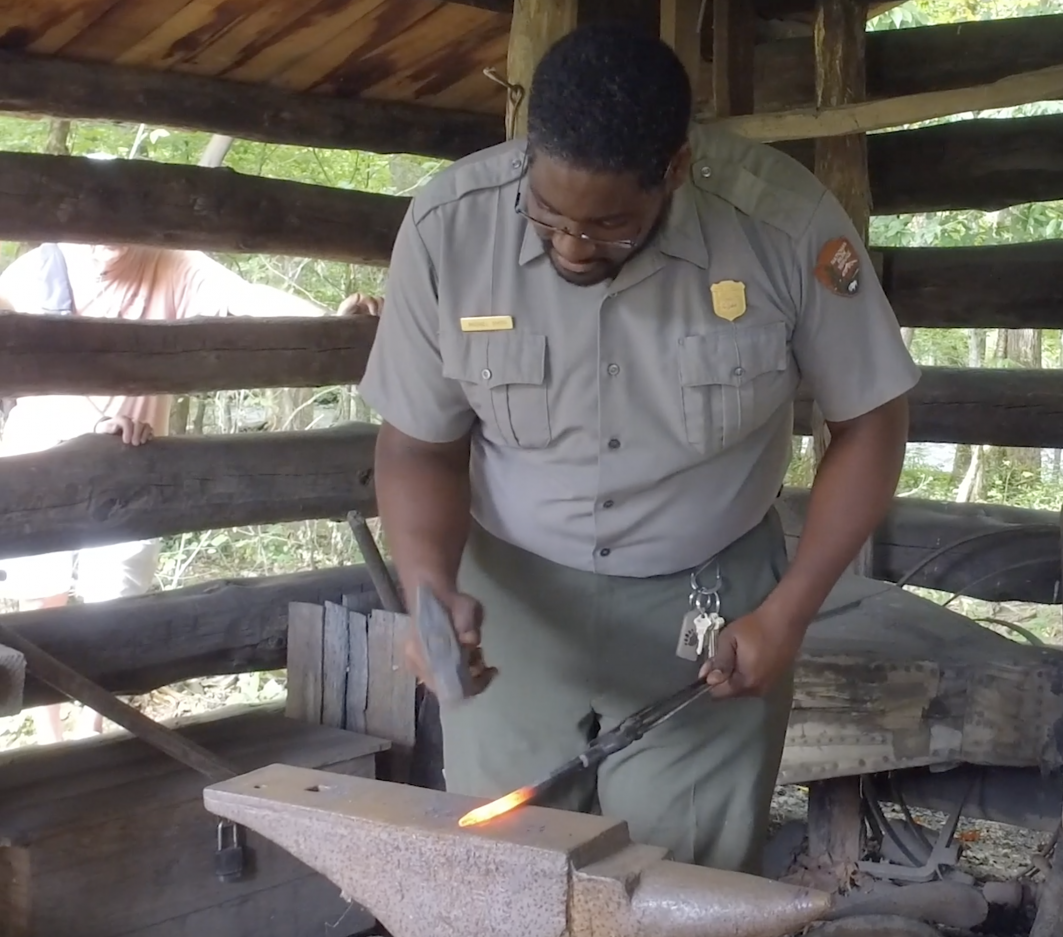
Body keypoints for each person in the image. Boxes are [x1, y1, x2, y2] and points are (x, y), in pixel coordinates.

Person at [358, 23, 918, 874]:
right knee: (502, 878)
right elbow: (415, 446)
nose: (576, 245)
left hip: (711, 617)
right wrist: (430, 586)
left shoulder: (784, 225)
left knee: (675, 881)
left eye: (612, 225)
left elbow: (873, 420)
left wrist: (789, 613)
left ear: (676, 171)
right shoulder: (448, 230)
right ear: (525, 153)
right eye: (548, 217)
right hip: (513, 613)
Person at [0, 240, 380, 740]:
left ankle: (93, 729)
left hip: (130, 473)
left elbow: (245, 298)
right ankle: (49, 735)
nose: (104, 240)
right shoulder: (40, 268)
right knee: (42, 599)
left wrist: (330, 322)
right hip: (41, 461)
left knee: (113, 610)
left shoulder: (172, 262)